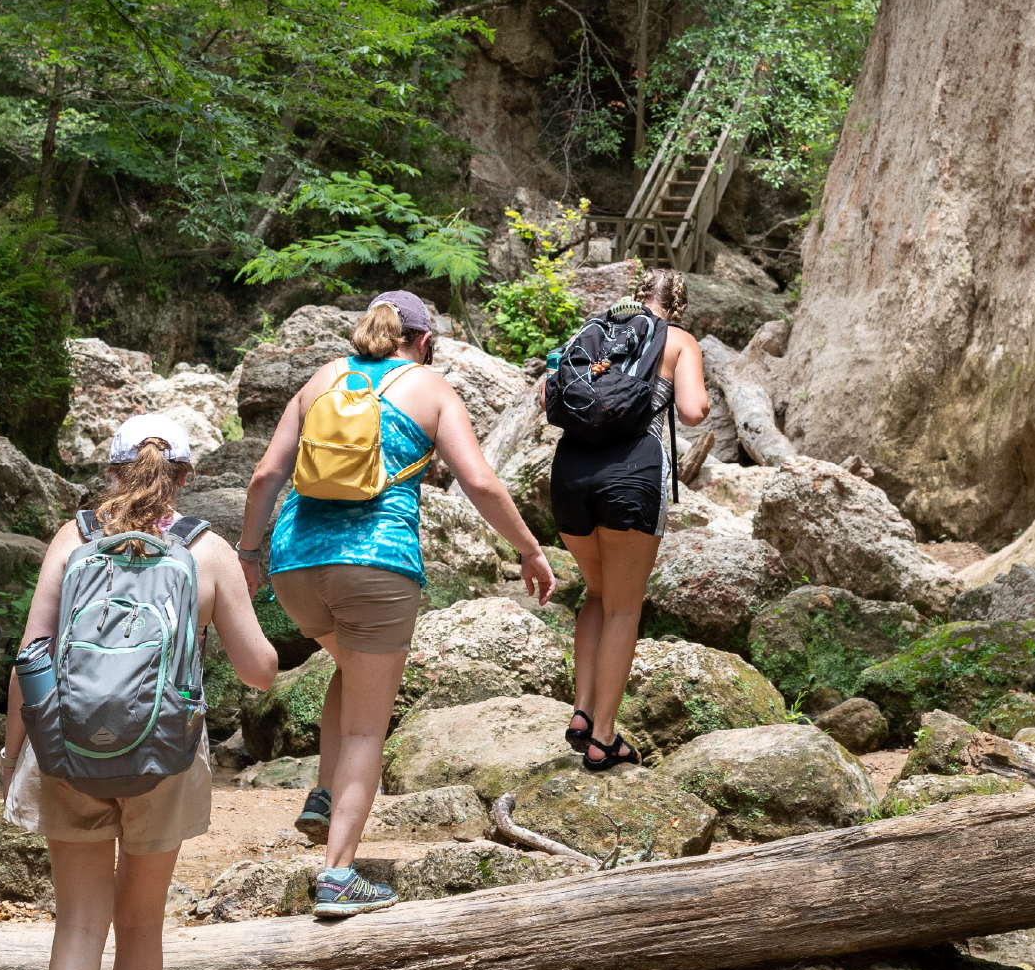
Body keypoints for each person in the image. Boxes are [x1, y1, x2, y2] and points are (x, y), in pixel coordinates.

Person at [2, 413, 280, 970]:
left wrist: (15, 758)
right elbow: (260, 673)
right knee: (140, 924)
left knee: (79, 921)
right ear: (184, 478)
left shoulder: (74, 539)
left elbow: (29, 660)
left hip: (68, 757)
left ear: (113, 471)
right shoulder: (206, 551)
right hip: (166, 759)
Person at [237, 290, 556, 919]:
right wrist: (528, 549)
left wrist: (249, 556)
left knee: (350, 671)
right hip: (376, 567)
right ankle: (336, 877)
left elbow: (264, 477)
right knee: (366, 726)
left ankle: (324, 795)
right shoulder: (429, 386)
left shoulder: (322, 378)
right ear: (424, 339)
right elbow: (482, 481)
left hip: (297, 565)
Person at [542, 268, 710, 771]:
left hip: (570, 474)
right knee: (623, 608)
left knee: (596, 594)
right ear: (678, 307)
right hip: (632, 476)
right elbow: (694, 410)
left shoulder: (599, 331)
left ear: (637, 296)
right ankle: (604, 738)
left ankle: (581, 712)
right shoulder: (678, 340)